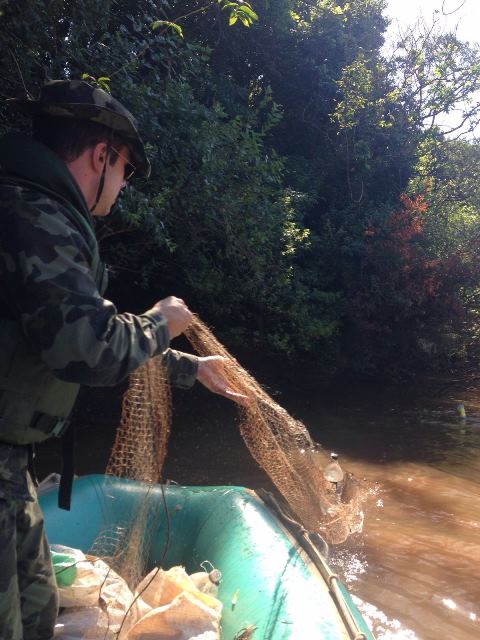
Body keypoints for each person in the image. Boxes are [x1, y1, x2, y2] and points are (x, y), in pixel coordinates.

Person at [0, 79, 246, 640]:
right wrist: (162, 321)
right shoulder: (33, 215)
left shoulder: (34, 209)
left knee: (38, 608)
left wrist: (191, 368)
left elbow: (72, 332)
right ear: (101, 155)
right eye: (126, 170)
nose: (123, 185)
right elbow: (86, 348)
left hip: (11, 462)